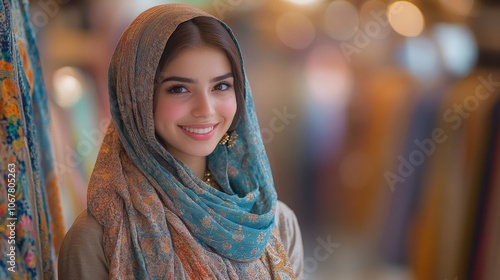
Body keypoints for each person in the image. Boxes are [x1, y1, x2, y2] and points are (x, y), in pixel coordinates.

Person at [58, 4, 304, 279]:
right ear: (137, 99)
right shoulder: (97, 240)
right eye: (179, 89)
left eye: (221, 86)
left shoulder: (274, 224)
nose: (206, 109)